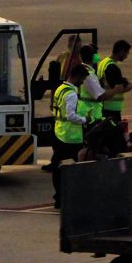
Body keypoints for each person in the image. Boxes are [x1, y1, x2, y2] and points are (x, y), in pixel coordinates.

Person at [50, 63, 98, 207]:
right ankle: (66, 196)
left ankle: (59, 196)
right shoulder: (71, 94)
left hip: (59, 132)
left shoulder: (60, 89)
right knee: (71, 168)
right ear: (76, 76)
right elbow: (70, 116)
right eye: (82, 79)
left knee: (57, 166)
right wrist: (85, 119)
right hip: (70, 137)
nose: (82, 83)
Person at [93, 39, 132, 125]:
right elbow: (119, 88)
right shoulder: (112, 66)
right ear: (121, 51)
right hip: (111, 109)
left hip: (103, 106)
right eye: (126, 53)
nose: (126, 56)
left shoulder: (103, 62)